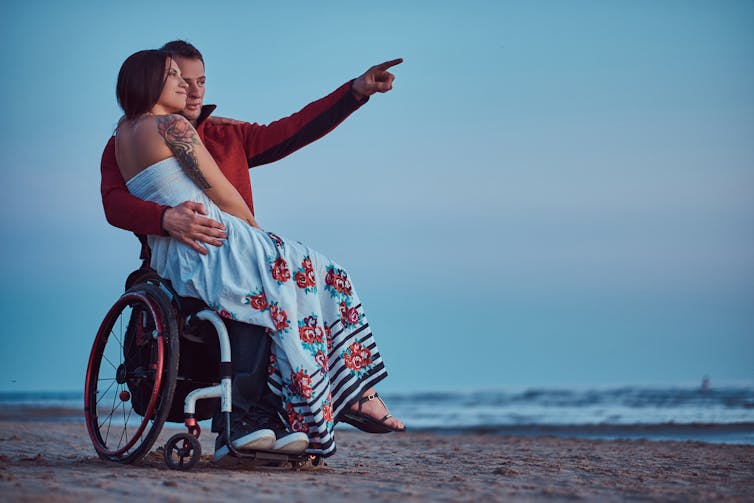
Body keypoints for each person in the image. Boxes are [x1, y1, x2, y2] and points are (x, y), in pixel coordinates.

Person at [109, 48, 405, 461]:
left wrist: (353, 93)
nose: (189, 87)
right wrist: (255, 237)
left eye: (198, 80)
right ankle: (339, 392)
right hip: (213, 241)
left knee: (284, 286)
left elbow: (290, 131)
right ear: (148, 83)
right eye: (175, 76)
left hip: (177, 256)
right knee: (319, 276)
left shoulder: (123, 133)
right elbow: (220, 193)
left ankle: (287, 412)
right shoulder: (172, 126)